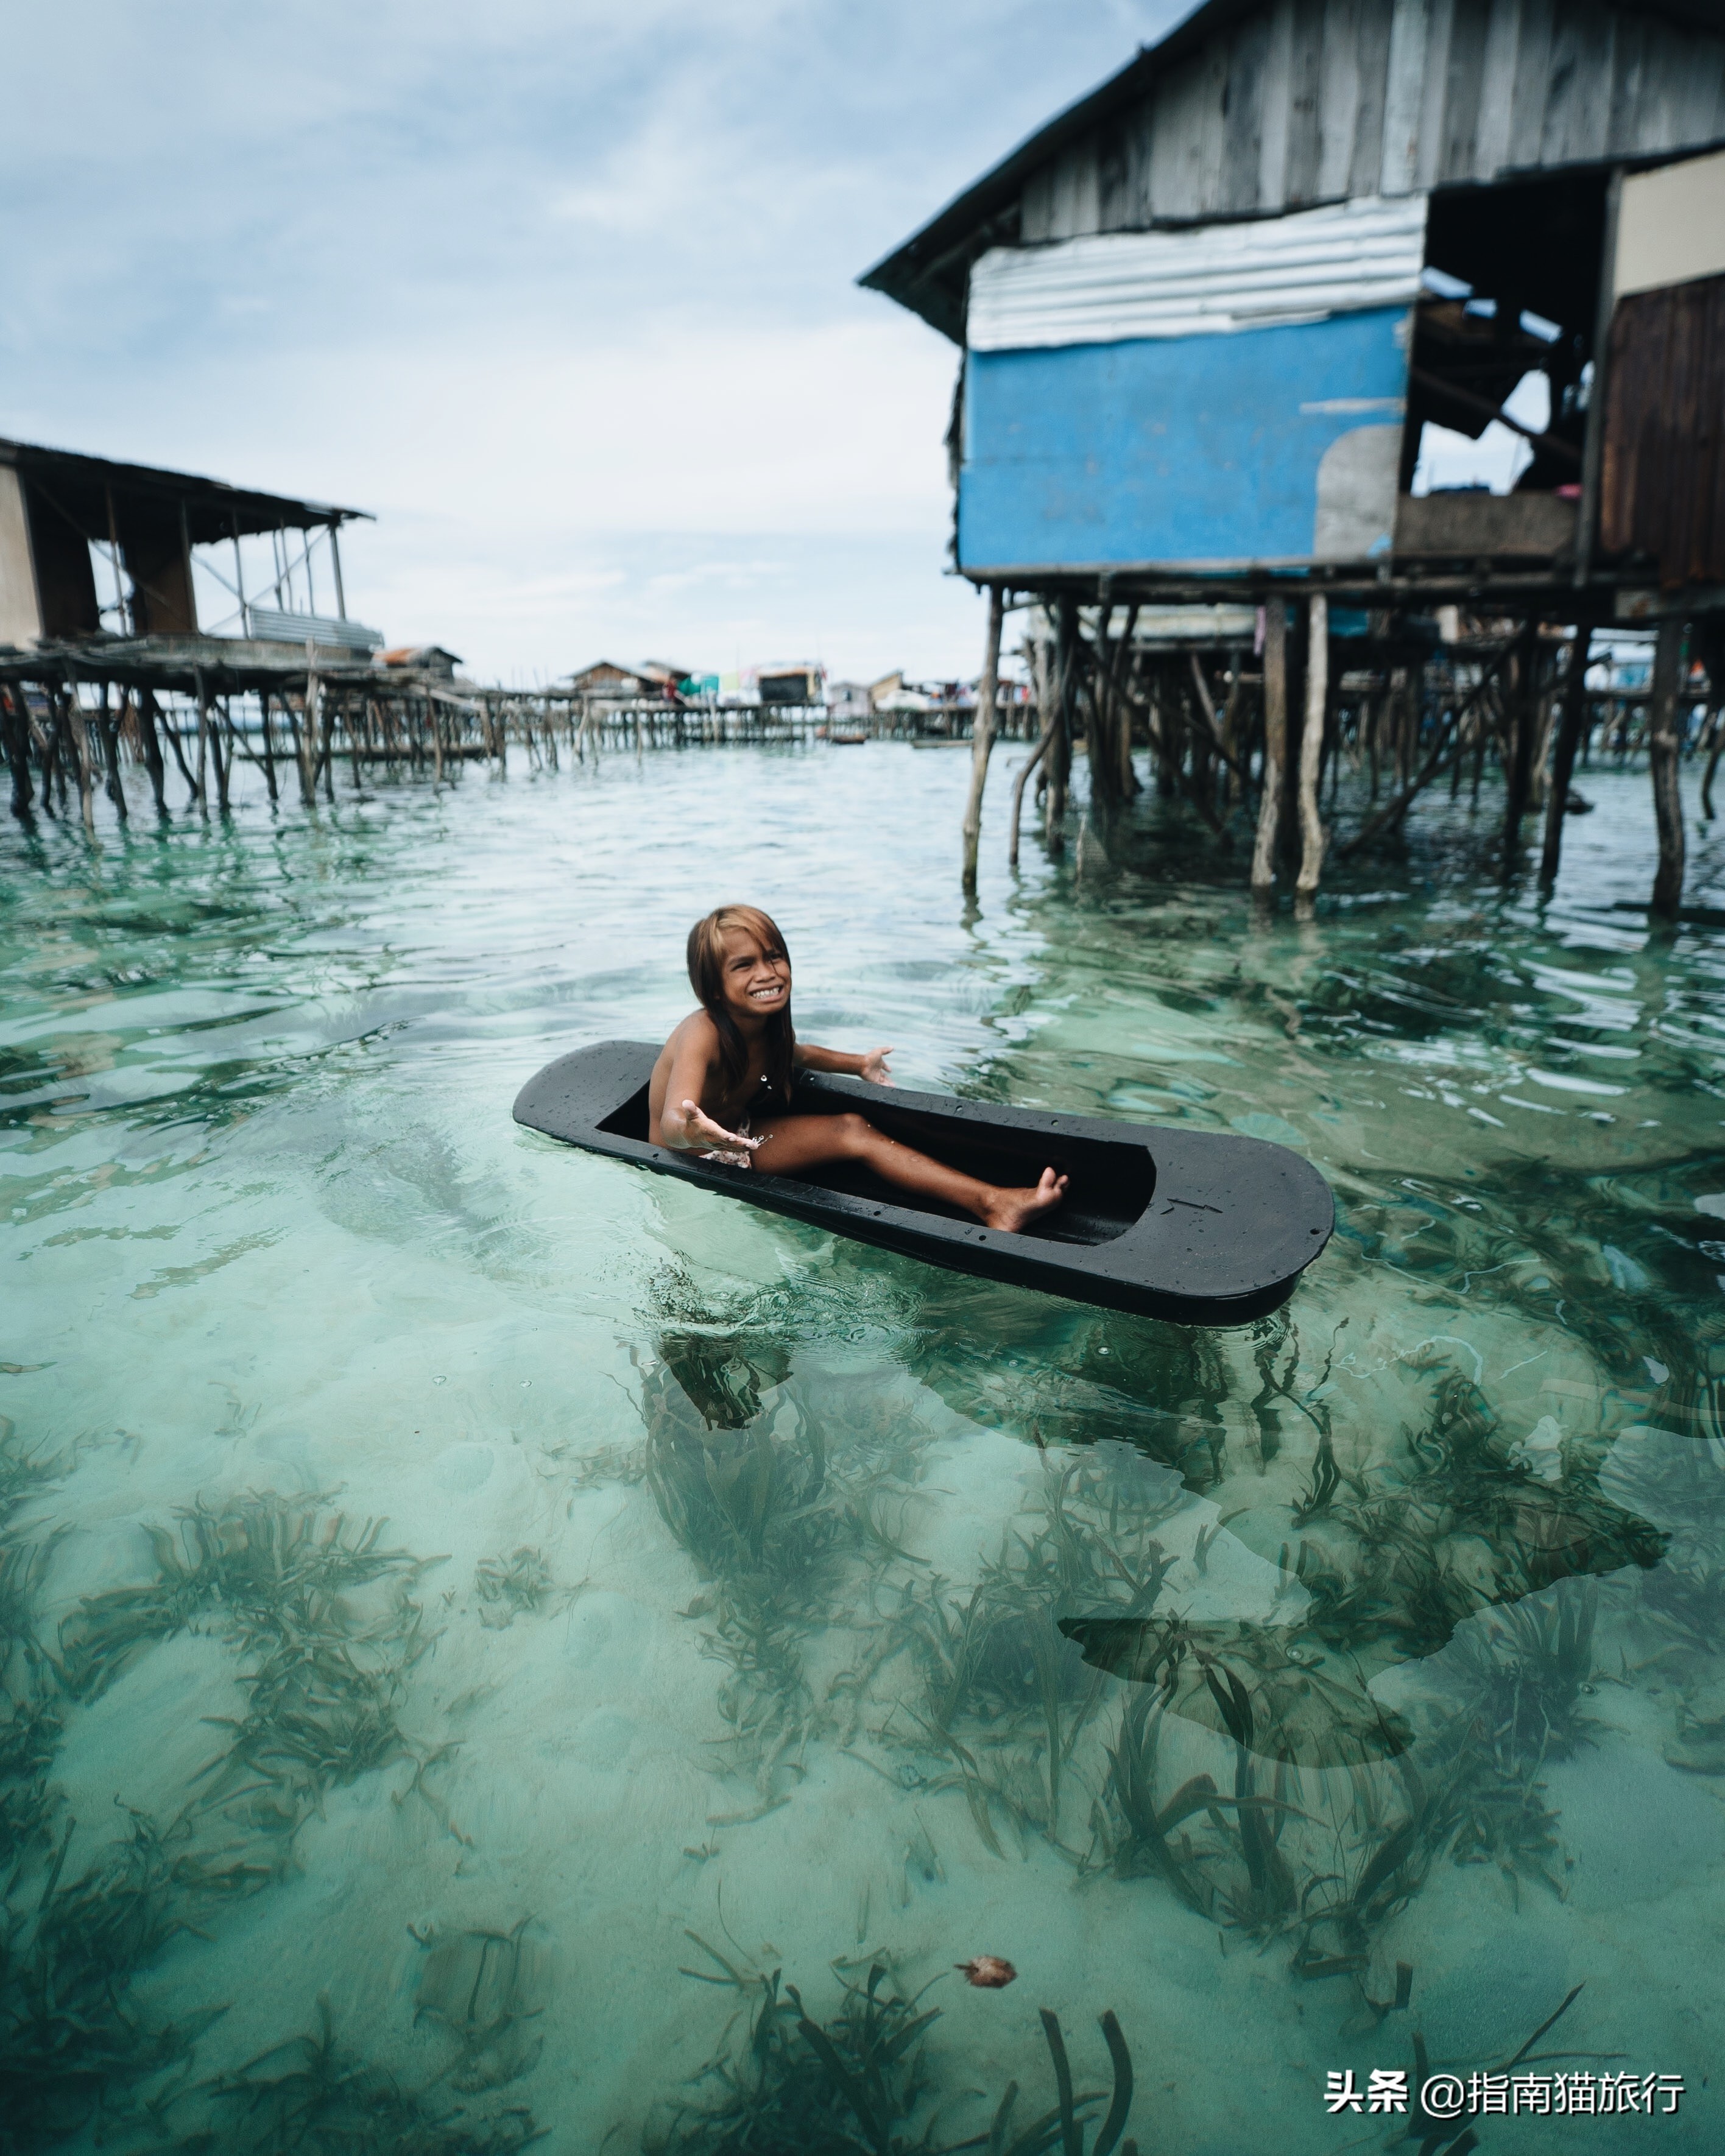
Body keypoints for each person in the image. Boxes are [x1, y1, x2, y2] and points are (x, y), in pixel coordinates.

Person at [649, 904, 1068, 1233]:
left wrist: (860, 1064)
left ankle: (993, 1203)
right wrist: (691, 1130)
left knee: (852, 1128)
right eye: (744, 966)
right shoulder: (701, 1032)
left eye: (774, 957)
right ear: (713, 986)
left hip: (737, 1140)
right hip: (688, 1160)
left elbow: (800, 1054)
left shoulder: (764, 1027)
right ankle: (993, 1203)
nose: (767, 973)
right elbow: (672, 1121)